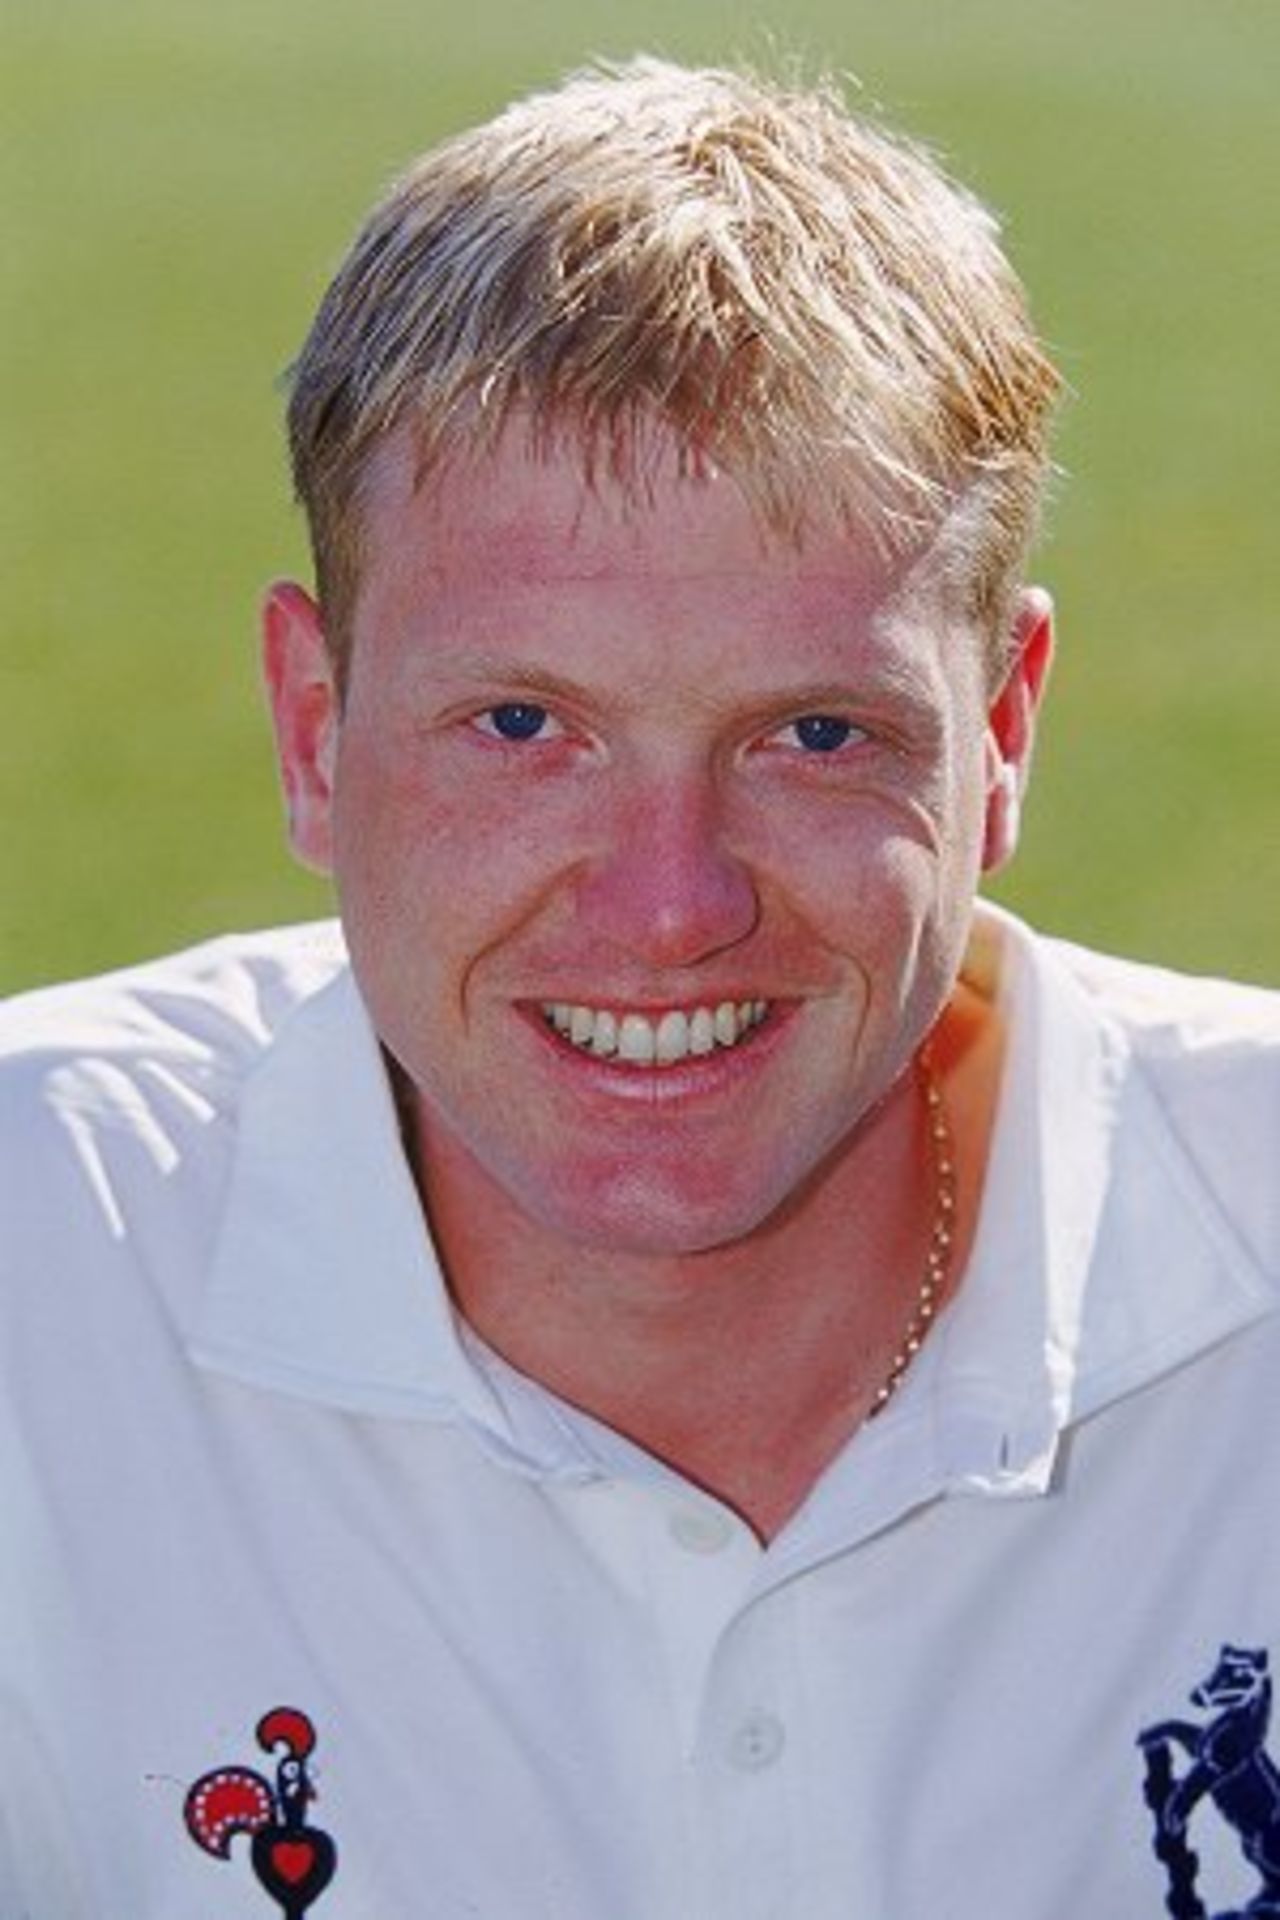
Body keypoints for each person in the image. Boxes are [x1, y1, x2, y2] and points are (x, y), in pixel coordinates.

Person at [2, 56, 1277, 1920]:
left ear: (999, 732)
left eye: (816, 732)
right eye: (524, 725)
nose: (670, 906)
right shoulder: (36, 1250)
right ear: (312, 725)